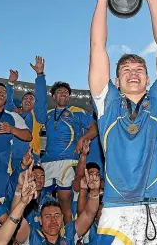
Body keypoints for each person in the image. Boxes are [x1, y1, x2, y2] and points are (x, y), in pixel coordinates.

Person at [89, 0, 157, 244]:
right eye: (126, 71)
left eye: (140, 70)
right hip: (117, 213)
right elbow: (98, 48)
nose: (133, 73)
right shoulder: (107, 104)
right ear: (117, 83)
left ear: (148, 79)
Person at [32, 55, 98, 224]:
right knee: (39, 202)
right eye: (59, 92)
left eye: (66, 92)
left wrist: (82, 138)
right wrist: (40, 77)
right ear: (53, 96)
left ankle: (69, 238)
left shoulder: (76, 111)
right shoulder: (47, 114)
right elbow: (39, 106)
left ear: (69, 97)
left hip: (69, 161)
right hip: (47, 162)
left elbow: (95, 128)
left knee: (65, 203)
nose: (63, 94)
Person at [5, 69, 44, 169]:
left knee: (27, 183)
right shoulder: (14, 113)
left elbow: (42, 100)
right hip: (11, 157)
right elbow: (8, 102)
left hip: (30, 156)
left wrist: (40, 75)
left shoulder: (36, 116)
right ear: (21, 102)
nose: (28, 100)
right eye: (26, 98)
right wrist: (10, 83)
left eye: (31, 99)